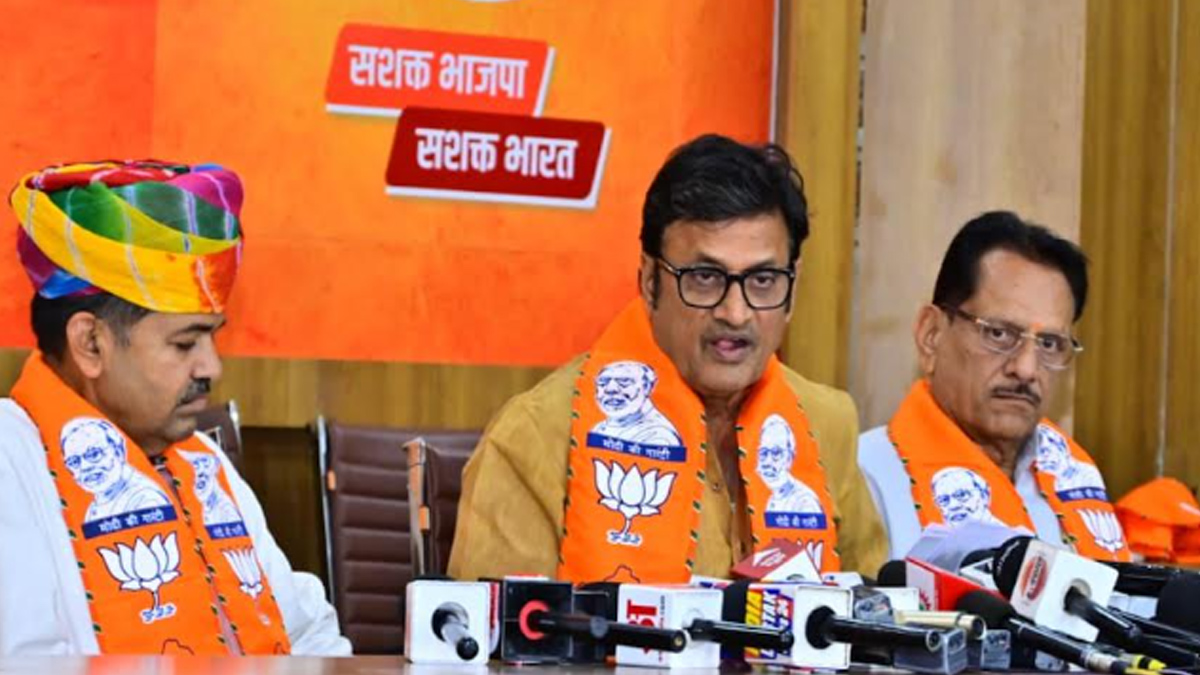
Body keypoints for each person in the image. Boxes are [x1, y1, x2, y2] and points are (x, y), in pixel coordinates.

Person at [449, 134, 886, 583]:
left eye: (763, 280)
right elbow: (500, 625)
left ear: (792, 287)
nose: (735, 313)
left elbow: (874, 609)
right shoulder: (536, 435)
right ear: (649, 280)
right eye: (704, 277)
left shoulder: (825, 426)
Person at [0, 160, 352, 655]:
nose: (212, 367)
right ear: (91, 343)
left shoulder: (202, 460)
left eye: (212, 339)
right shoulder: (12, 460)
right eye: (185, 344)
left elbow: (307, 632)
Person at [857, 211, 1129, 561]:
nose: (1026, 369)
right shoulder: (865, 476)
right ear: (931, 335)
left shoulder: (1073, 480)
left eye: (1049, 344)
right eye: (999, 334)